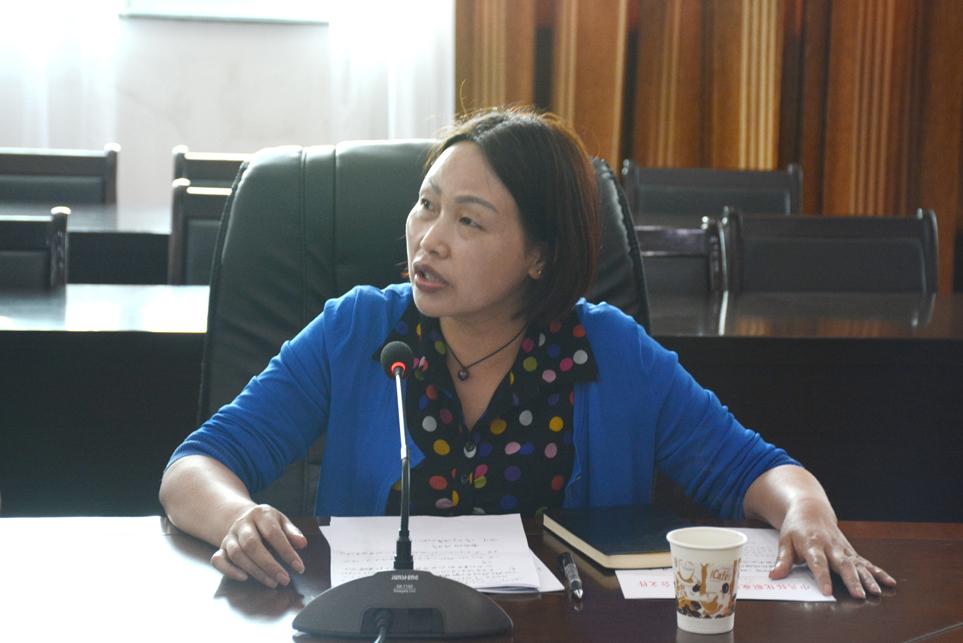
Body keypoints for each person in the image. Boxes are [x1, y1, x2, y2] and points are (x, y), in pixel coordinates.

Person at [159, 107, 896, 599]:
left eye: (469, 222)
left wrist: (806, 511)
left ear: (540, 255)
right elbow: (195, 466)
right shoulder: (359, 329)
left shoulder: (609, 351)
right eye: (426, 204)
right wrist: (236, 516)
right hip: (383, 625)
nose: (429, 239)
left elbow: (753, 468)